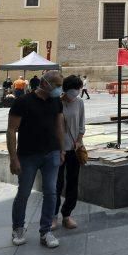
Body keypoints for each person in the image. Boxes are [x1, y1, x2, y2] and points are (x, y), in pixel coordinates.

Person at [6, 70, 65, 249]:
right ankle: (18, 228)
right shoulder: (22, 102)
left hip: (52, 153)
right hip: (28, 155)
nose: (59, 88)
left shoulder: (56, 101)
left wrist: (62, 150)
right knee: (23, 193)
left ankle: (45, 230)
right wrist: (13, 158)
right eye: (56, 85)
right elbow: (11, 130)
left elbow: (59, 126)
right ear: (45, 83)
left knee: (51, 192)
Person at [54, 75, 85, 231]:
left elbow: (81, 125)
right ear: (66, 90)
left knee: (73, 183)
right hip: (58, 150)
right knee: (56, 184)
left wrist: (79, 141)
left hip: (74, 149)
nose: (77, 92)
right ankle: (53, 216)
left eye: (78, 89)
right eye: (75, 89)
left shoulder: (79, 102)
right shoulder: (56, 103)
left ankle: (67, 215)